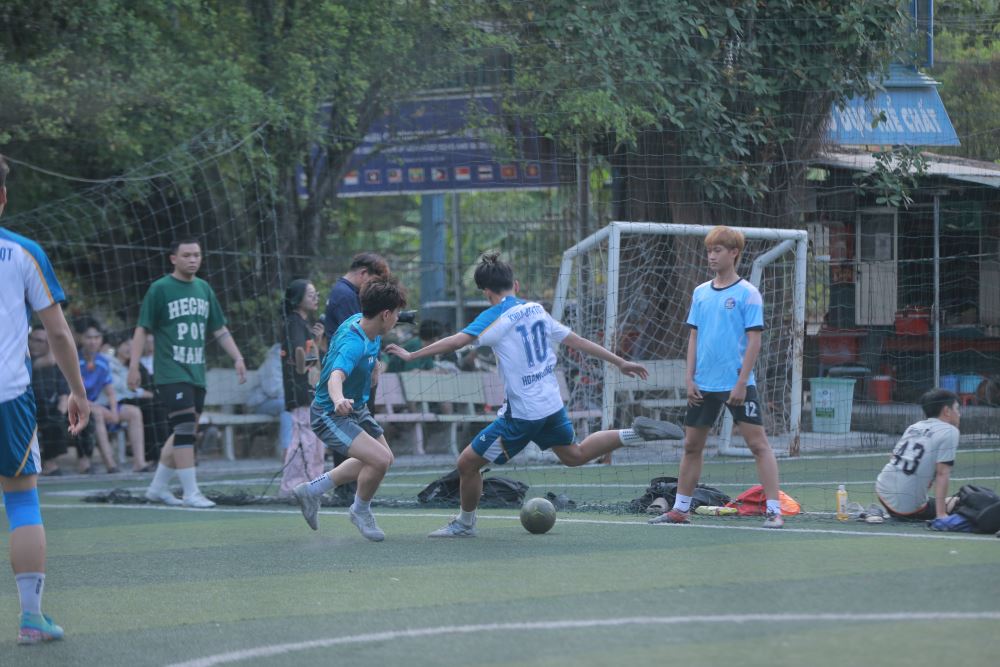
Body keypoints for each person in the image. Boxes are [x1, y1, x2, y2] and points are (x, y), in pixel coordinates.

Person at [385, 252, 681, 538]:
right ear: (515, 285)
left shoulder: (494, 316)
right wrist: (620, 362)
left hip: (522, 414)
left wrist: (412, 355)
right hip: (551, 405)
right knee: (574, 455)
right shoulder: (536, 309)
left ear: (486, 292)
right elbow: (577, 341)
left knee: (467, 464)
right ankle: (634, 433)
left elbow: (456, 341)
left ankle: (464, 524)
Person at [1, 153, 90, 643]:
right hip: (8, 397)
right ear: (3, 197)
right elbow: (57, 332)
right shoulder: (23, 253)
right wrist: (78, 391)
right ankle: (31, 620)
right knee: (21, 501)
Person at [648, 225, 785, 529]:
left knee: (758, 445)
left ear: (734, 253)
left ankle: (774, 511)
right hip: (703, 385)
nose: (711, 256)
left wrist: (741, 382)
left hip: (736, 384)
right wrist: (689, 378)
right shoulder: (700, 292)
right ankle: (680, 509)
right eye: (709, 250)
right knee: (691, 446)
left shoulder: (748, 294)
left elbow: (754, 341)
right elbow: (694, 337)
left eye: (717, 250)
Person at [127, 237, 247, 508]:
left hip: (196, 372)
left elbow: (219, 328)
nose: (193, 259)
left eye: (197, 255)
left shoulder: (204, 288)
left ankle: (157, 488)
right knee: (183, 427)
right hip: (171, 372)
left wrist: (237, 357)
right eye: (186, 255)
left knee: (186, 429)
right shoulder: (160, 289)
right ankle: (191, 492)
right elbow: (142, 329)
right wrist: (133, 366)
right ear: (173, 258)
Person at [292, 277, 406, 541]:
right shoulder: (353, 343)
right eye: (396, 314)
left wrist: (374, 367)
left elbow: (368, 354)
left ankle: (311, 491)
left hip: (357, 408)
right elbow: (336, 376)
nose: (398, 319)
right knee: (378, 460)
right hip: (331, 413)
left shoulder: (365, 324)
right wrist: (338, 399)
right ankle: (360, 511)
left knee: (385, 459)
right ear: (385, 314)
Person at [322, 252, 390, 475]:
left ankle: (354, 487)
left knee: (376, 449)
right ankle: (346, 487)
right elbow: (360, 334)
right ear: (363, 273)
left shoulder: (346, 293)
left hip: (357, 372)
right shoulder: (345, 295)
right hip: (349, 375)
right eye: (376, 282)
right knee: (353, 434)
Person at [876, 388, 961, 524]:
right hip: (907, 506)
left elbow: (893, 457)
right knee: (958, 502)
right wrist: (941, 514)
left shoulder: (914, 426)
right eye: (957, 409)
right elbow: (942, 473)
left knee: (932, 499)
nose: (959, 414)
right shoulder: (950, 431)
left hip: (882, 489)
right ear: (947, 411)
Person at [77, 319, 148, 474]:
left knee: (134, 412)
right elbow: (74, 393)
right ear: (81, 338)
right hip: (80, 407)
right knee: (97, 413)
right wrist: (98, 408)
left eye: (96, 337)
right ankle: (111, 465)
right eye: (89, 337)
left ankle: (139, 463)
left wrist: (114, 411)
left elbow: (110, 391)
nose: (93, 341)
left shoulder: (103, 361)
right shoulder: (75, 360)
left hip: (100, 406)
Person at [278, 279, 326, 497]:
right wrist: (304, 360)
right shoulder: (294, 323)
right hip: (299, 389)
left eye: (316, 294)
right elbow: (300, 356)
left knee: (315, 437)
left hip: (309, 389)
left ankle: (313, 483)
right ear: (297, 299)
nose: (315, 298)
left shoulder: (304, 324)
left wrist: (316, 340)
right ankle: (293, 486)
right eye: (310, 294)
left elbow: (310, 356)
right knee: (304, 437)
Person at [106, 334, 160, 472]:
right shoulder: (108, 361)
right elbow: (122, 387)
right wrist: (142, 393)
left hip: (126, 399)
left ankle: (156, 456)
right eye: (127, 345)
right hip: (111, 402)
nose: (130, 349)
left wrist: (141, 392)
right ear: (118, 345)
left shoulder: (130, 367)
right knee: (148, 405)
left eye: (133, 346)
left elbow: (132, 388)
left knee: (157, 405)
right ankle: (149, 456)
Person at [28, 329, 71, 476]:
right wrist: (54, 340)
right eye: (33, 339)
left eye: (41, 341)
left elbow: (63, 392)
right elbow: (50, 359)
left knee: (80, 418)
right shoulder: (24, 360)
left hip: (51, 408)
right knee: (48, 419)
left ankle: (85, 463)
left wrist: (60, 412)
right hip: (28, 408)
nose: (35, 343)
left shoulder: (56, 366)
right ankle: (49, 464)